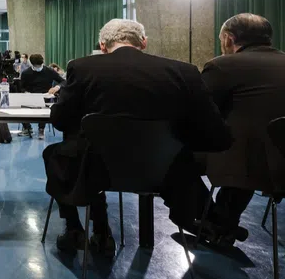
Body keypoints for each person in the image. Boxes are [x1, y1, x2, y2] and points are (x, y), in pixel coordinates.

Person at [44, 19, 230, 257]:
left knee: (62, 154)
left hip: (96, 168)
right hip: (165, 171)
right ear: (143, 42)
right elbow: (214, 130)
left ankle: (77, 229)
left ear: (103, 45)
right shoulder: (184, 71)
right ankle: (206, 221)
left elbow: (60, 120)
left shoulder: (82, 67)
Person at [201, 13, 285, 246]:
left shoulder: (222, 66)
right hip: (280, 161)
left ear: (229, 38)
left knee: (178, 163)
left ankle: (214, 223)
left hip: (247, 165)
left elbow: (199, 111)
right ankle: (222, 224)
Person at [20, 54, 64, 139]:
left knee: (43, 106)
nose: (39, 68)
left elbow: (63, 81)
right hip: (30, 96)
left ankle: (41, 129)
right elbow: (22, 87)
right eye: (37, 66)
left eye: (40, 66)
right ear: (32, 65)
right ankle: (27, 128)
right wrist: (26, 92)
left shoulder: (49, 71)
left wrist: (57, 87)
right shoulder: (26, 73)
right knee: (20, 106)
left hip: (45, 96)